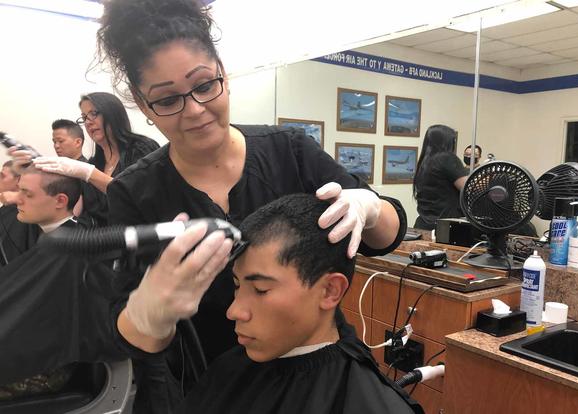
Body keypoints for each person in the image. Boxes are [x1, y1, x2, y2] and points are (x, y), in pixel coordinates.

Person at [95, 0, 406, 411]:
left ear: (222, 72)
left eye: (204, 86)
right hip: (207, 386)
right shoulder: (135, 194)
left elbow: (384, 237)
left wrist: (368, 206)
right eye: (168, 100)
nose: (195, 111)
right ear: (141, 101)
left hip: (317, 374)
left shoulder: (290, 151)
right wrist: (147, 313)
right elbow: (128, 332)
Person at [158, 194, 420, 413]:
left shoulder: (372, 404)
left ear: (330, 290)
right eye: (237, 285)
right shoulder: (227, 372)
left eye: (260, 290)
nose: (233, 310)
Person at [11, 92, 160, 226]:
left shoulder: (141, 148)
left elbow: (140, 198)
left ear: (113, 114)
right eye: (84, 117)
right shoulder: (95, 163)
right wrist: (31, 169)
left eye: (94, 114)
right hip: (103, 245)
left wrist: (89, 173)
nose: (88, 122)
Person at [0, 166, 81, 400]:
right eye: (19, 192)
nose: (18, 200)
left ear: (60, 200)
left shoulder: (73, 250)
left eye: (28, 194)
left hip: (46, 366)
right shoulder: (45, 237)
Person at [413, 124, 468, 230]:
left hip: (423, 225)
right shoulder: (447, 158)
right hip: (446, 228)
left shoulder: (424, 162)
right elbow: (468, 188)